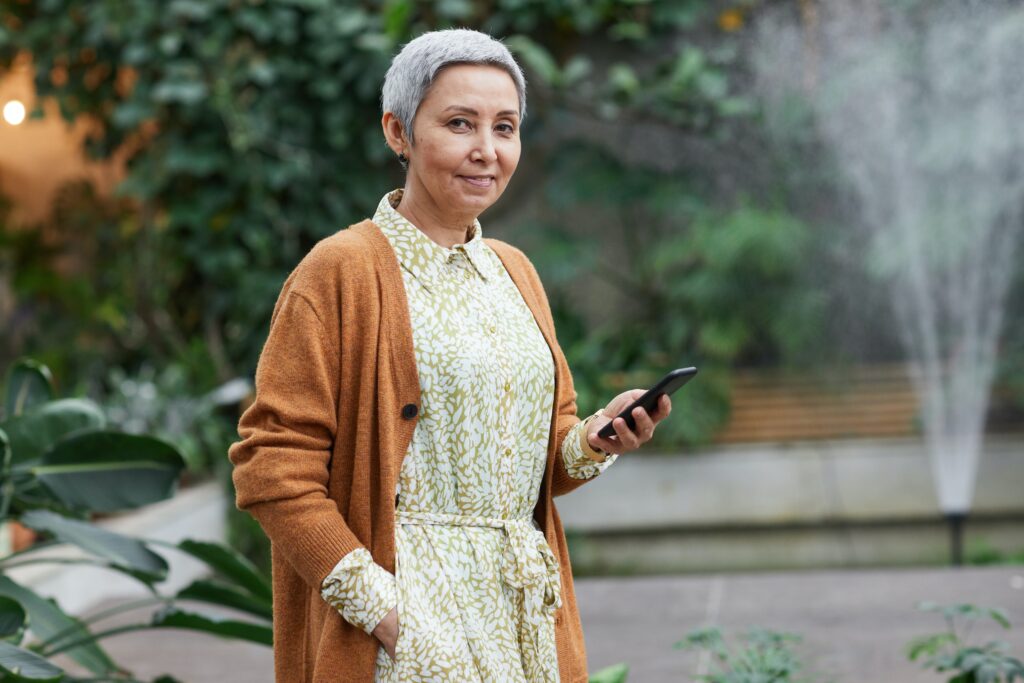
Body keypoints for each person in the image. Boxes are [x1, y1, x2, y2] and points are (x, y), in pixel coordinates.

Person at [228, 27, 672, 683]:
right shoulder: (339, 272)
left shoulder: (513, 270)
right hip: (406, 617)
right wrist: (382, 609)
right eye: (459, 123)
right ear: (398, 132)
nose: (486, 151)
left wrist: (596, 438)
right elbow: (270, 466)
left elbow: (539, 454)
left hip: (522, 618)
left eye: (505, 127)